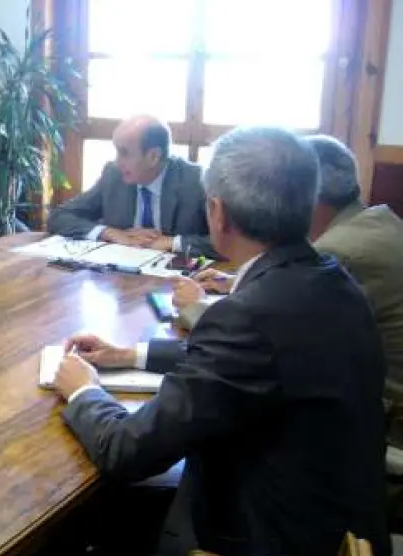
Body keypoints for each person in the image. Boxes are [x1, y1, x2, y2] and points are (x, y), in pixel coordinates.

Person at [53, 127, 390, 555]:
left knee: (96, 522)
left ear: (217, 211)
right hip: (340, 523)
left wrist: (83, 392)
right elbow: (259, 362)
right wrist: (131, 354)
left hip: (264, 536)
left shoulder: (248, 316)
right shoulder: (333, 280)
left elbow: (128, 451)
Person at [138, 135, 403, 449]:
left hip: (371, 429)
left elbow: (251, 341)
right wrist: (236, 281)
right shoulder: (378, 220)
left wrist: (196, 308)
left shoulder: (335, 254)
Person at [47, 115, 215, 257]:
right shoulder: (114, 175)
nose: (117, 161)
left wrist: (173, 242)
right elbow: (60, 216)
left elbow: (226, 243)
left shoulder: (196, 181)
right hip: (121, 276)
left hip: (177, 280)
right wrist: (109, 233)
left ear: (153, 156)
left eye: (124, 153)